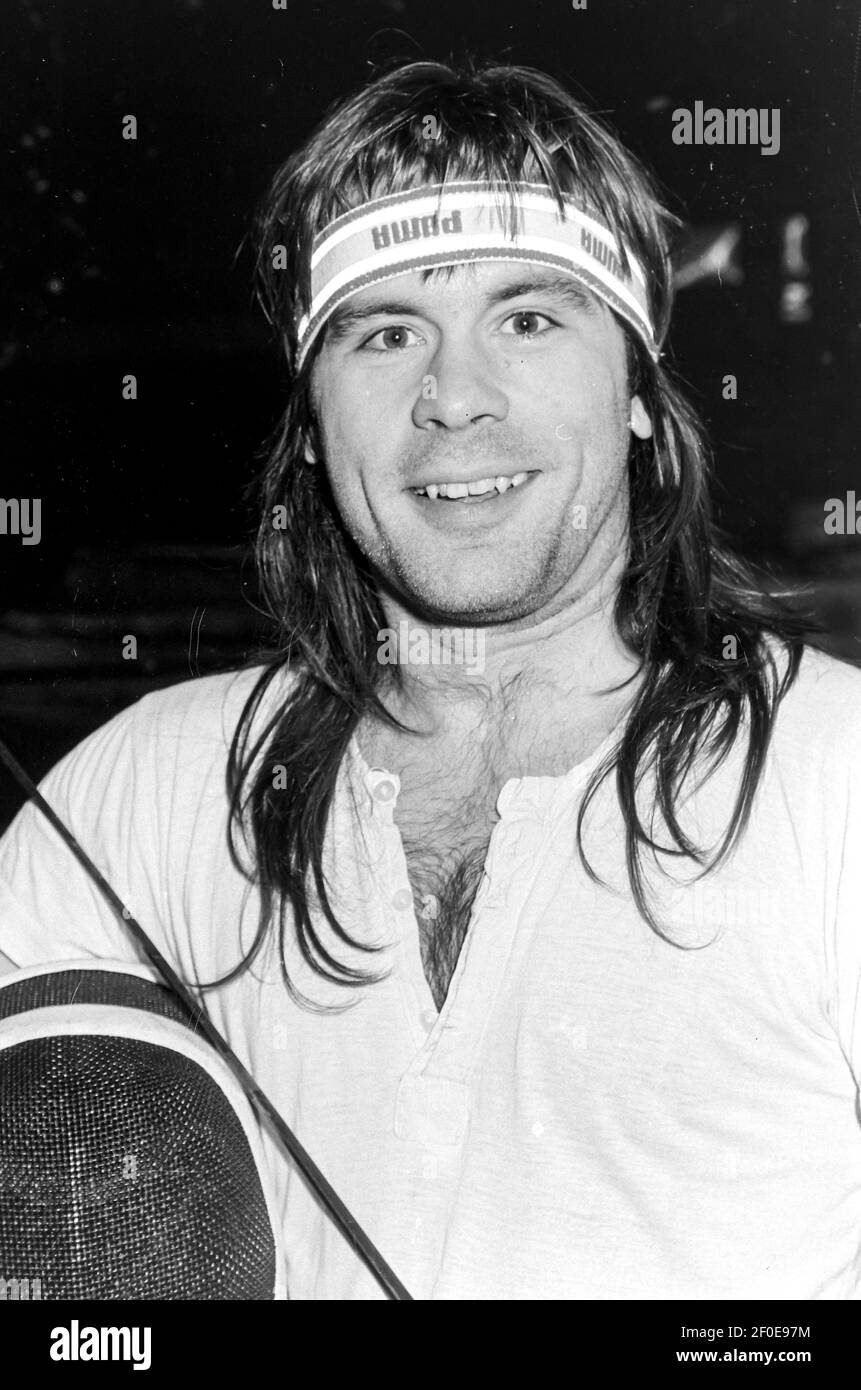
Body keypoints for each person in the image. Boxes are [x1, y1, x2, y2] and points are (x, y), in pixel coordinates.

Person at [1, 59, 860, 1302]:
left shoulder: (831, 783)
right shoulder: (140, 800)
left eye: (527, 318)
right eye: (387, 332)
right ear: (311, 416)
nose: (454, 399)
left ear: (633, 388)